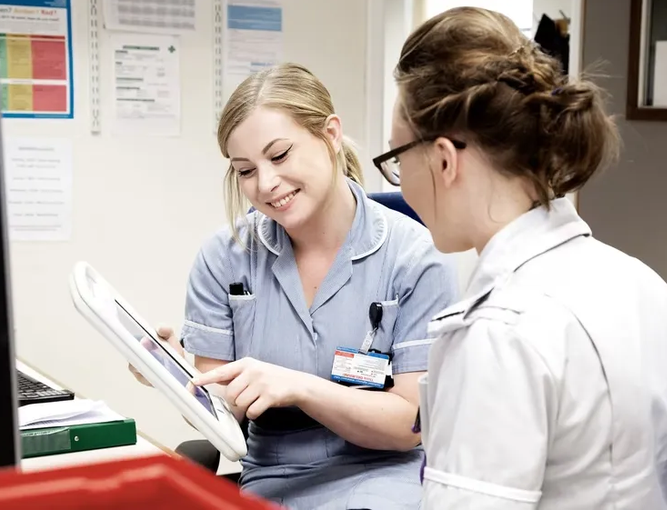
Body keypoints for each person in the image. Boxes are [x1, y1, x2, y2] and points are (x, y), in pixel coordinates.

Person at [373, 6, 667, 509]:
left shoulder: (500, 331)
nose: (399, 182)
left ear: (443, 159)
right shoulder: (640, 281)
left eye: (396, 159)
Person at [131, 62, 459, 510]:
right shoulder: (223, 257)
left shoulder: (415, 257)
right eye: (245, 170)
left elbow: (408, 425)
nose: (266, 184)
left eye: (280, 155)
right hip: (272, 476)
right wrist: (176, 375)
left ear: (330, 134)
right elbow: (224, 414)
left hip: (382, 473)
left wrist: (300, 387)